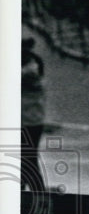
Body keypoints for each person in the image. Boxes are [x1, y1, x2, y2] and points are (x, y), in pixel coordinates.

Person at [21, 37, 46, 192]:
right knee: (26, 158)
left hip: (28, 121)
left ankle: (38, 192)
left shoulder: (29, 72)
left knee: (27, 159)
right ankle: (24, 190)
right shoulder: (34, 66)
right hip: (32, 120)